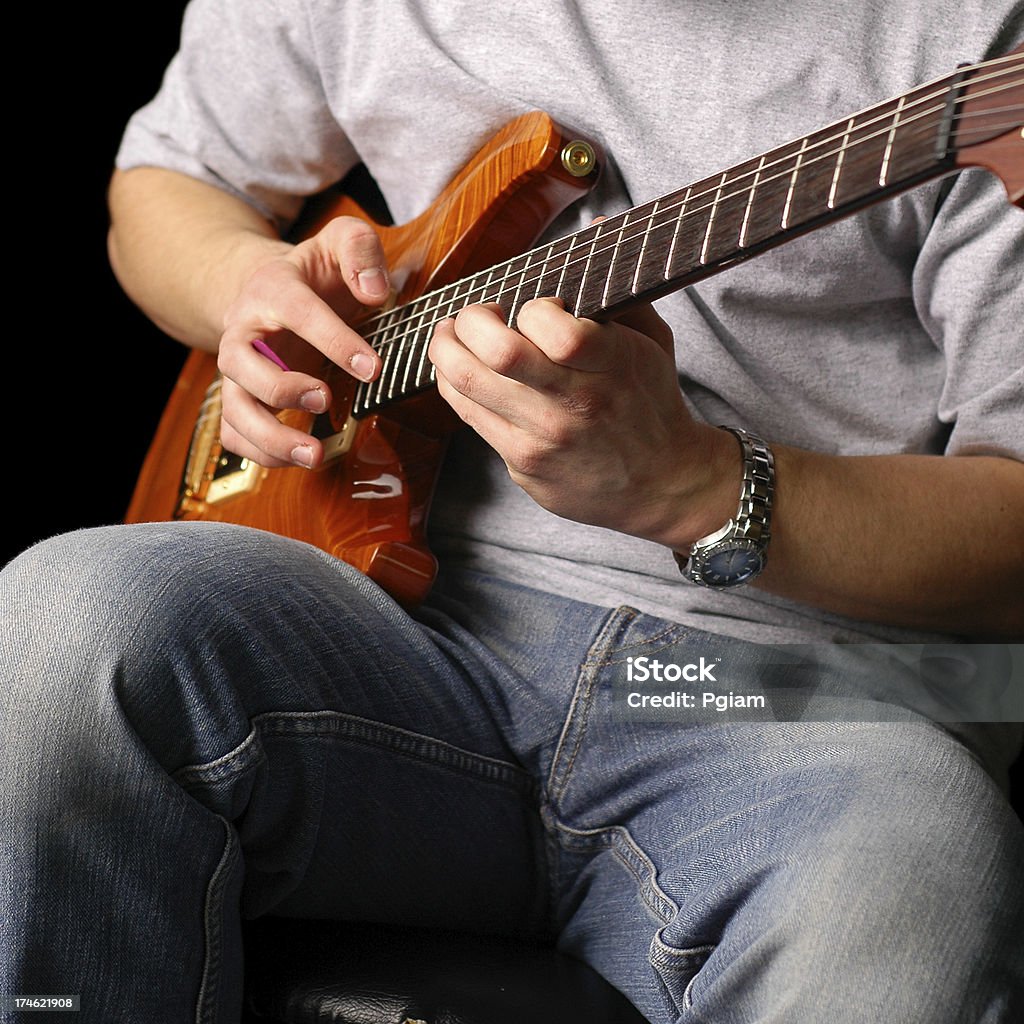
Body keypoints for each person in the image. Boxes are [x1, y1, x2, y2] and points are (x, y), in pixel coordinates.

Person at [2, 1, 1022, 1021]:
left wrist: (693, 483)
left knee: (913, 867)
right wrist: (246, 287)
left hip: (802, 692)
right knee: (60, 617)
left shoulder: (981, 42)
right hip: (411, 632)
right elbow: (165, 184)